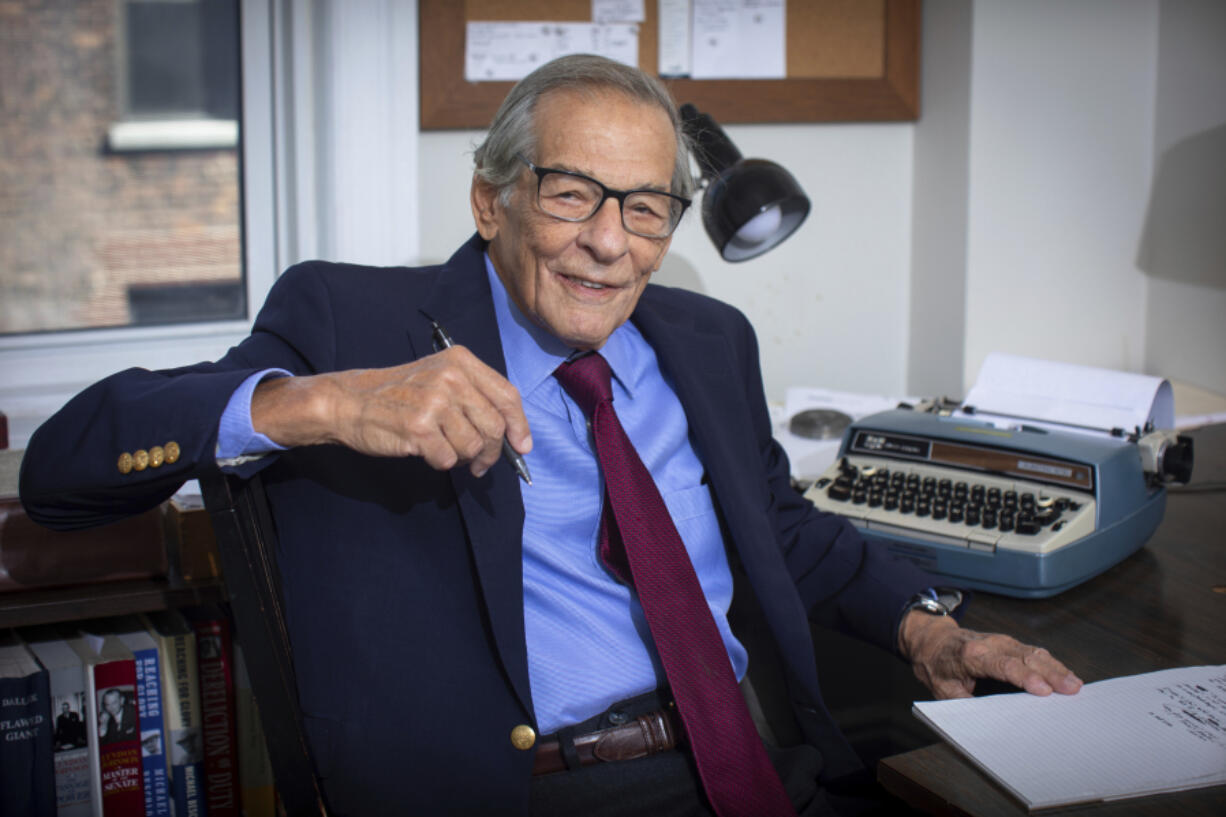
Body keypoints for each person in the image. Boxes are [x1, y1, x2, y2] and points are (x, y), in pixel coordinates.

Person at [21, 55, 1081, 815]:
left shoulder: (708, 338)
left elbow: (785, 530)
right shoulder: (354, 324)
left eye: (648, 207)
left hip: (761, 759)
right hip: (531, 786)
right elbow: (64, 466)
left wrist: (927, 629)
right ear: (491, 201)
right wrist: (321, 403)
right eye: (572, 192)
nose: (608, 243)